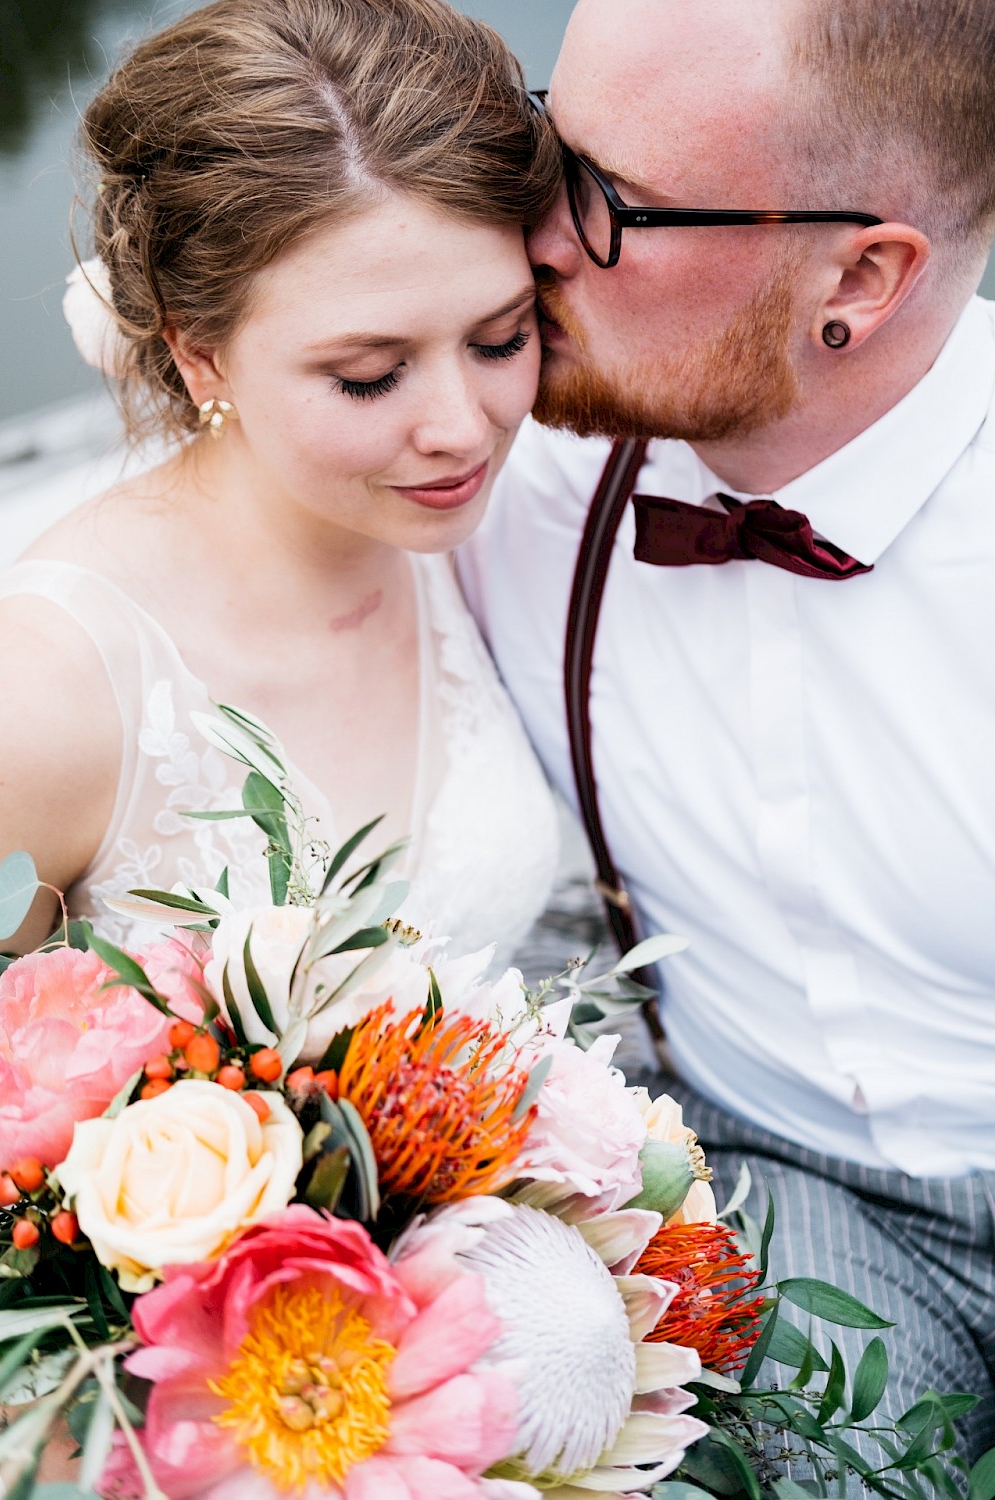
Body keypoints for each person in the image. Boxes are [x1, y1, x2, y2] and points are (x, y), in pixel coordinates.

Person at [460, 0, 995, 1454]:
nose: (536, 238)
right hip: (777, 1177)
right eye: (540, 144)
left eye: (609, 204)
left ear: (862, 276)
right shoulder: (486, 465)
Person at [0, 0, 562, 961]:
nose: (466, 430)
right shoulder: (41, 700)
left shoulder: (498, 528)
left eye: (502, 338)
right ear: (198, 355)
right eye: (369, 376)